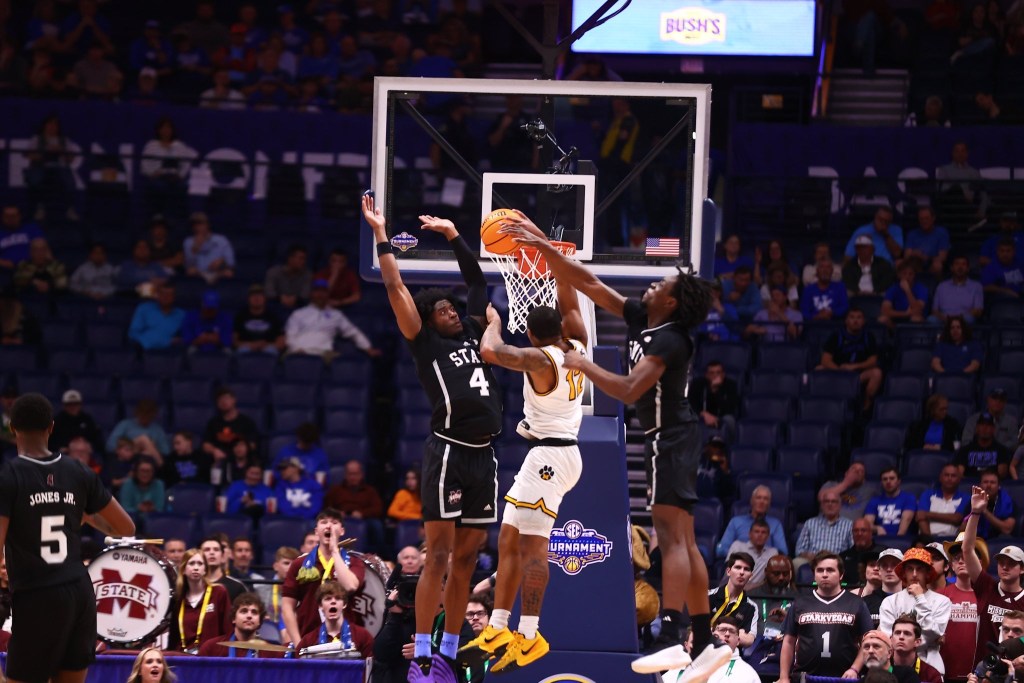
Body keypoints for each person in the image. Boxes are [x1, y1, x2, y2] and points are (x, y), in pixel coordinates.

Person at [501, 215, 731, 681]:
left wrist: (582, 363)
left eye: (660, 284)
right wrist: (543, 245)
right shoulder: (643, 318)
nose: (651, 286)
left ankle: (671, 636)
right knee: (684, 539)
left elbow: (627, 390)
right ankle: (705, 641)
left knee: (671, 537)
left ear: (671, 301)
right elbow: (588, 283)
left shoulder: (671, 339)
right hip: (671, 437)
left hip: (672, 437)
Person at [362, 194, 504, 679]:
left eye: (450, 307)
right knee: (439, 555)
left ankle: (449, 644)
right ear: (428, 318)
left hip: (485, 456)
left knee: (468, 557)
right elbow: (394, 284)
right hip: (448, 452)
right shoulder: (423, 342)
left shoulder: (474, 333)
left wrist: (453, 235)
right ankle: (422, 645)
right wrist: (381, 234)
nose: (450, 311)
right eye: (441, 309)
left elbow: (477, 282)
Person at [462, 276, 588, 673]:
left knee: (533, 549)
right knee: (509, 539)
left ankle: (530, 635)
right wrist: (558, 265)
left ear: (532, 335)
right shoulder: (579, 344)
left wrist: (494, 322)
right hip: (551, 455)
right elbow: (572, 306)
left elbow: (490, 350)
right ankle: (498, 628)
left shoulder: (540, 359)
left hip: (551, 456)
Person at [0, 392, 135, 683]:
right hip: (79, 593)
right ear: (51, 427)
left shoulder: (8, 476)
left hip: (37, 595)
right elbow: (126, 528)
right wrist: (87, 516)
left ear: (12, 428)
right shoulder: (78, 471)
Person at [778, 552, 873, 682]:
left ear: (841, 574)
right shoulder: (799, 603)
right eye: (820, 570)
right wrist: (783, 677)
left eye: (830, 570)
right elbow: (788, 642)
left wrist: (855, 669)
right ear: (814, 575)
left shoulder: (857, 603)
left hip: (844, 678)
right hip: (805, 678)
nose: (824, 574)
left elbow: (867, 642)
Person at [281, 508, 364, 647]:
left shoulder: (354, 562)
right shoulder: (299, 564)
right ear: (316, 531)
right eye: (324, 522)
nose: (329, 526)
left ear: (342, 531)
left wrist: (335, 551)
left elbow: (350, 586)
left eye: (334, 522)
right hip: (307, 638)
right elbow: (287, 606)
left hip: (345, 641)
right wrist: (298, 643)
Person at [963, 484, 1024, 665]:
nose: (1004, 567)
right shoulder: (987, 586)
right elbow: (967, 550)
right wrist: (975, 513)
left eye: (1011, 563)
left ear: (1022, 569)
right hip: (984, 670)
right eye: (1001, 562)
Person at [878, 548, 952, 674]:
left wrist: (920, 598)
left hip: (930, 666)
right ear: (904, 573)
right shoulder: (890, 601)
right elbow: (888, 637)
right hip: (895, 666)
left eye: (920, 569)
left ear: (927, 573)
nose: (914, 574)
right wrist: (928, 640)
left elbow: (933, 632)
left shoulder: (942, 601)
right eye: (909, 569)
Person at [284, 279, 381, 360]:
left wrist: (368, 348)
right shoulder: (298, 314)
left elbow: (353, 332)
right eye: (317, 291)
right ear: (312, 293)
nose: (320, 294)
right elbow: (290, 335)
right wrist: (297, 349)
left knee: (344, 366)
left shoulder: (336, 315)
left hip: (324, 353)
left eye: (323, 291)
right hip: (299, 351)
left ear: (327, 293)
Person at [167, 548, 232, 652]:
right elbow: (173, 637)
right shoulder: (178, 599)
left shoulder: (219, 592)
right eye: (191, 563)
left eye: (200, 564)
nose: (196, 568)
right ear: (183, 570)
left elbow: (228, 630)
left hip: (211, 656)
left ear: (205, 569)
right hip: (183, 656)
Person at [940, 532, 984, 681]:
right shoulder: (940, 596)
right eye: (956, 558)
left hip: (980, 674)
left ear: (978, 562)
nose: (960, 561)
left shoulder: (988, 596)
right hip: (945, 673)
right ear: (951, 565)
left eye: (966, 557)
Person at [662, 617, 761, 683]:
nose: (727, 634)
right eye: (722, 630)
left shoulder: (747, 673)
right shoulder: (681, 669)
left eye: (731, 631)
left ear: (738, 641)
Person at [296, 581, 374, 658]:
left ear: (344, 604)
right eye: (328, 599)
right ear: (320, 606)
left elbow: (371, 664)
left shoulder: (363, 636)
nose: (333, 601)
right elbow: (298, 664)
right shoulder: (308, 641)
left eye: (338, 598)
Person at [197, 592, 285, 658]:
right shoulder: (211, 648)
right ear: (233, 619)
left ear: (259, 621)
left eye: (254, 612)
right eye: (244, 611)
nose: (249, 616)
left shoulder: (272, 653)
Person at [716, 485, 788, 558]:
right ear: (752, 501)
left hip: (765, 561)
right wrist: (743, 556)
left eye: (765, 499)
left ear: (769, 504)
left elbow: (783, 552)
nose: (762, 501)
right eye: (758, 498)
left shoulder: (776, 524)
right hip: (740, 560)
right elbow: (721, 550)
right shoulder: (735, 522)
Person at [706, 553, 758, 649]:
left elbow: (749, 640)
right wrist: (736, 633)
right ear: (728, 571)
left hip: (732, 653)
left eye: (746, 569)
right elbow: (695, 629)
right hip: (705, 650)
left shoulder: (751, 607)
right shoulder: (708, 596)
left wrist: (713, 631)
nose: (742, 572)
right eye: (738, 567)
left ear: (750, 576)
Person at [795, 490, 854, 564]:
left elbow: (853, 550)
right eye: (826, 501)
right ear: (821, 505)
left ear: (840, 505)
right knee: (796, 562)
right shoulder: (810, 523)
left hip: (838, 562)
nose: (830, 504)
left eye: (833, 501)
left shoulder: (849, 525)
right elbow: (799, 550)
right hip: (813, 561)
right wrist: (809, 556)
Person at [688, 361, 739, 447]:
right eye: (712, 373)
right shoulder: (697, 385)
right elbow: (691, 404)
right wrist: (703, 414)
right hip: (702, 415)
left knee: (730, 420)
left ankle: (729, 447)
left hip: (722, 416)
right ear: (706, 375)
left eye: (718, 372)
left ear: (723, 374)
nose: (715, 376)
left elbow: (731, 408)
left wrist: (715, 390)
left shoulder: (731, 386)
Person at [128, 282, 184, 350]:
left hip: (169, 352)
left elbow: (185, 337)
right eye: (162, 294)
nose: (165, 297)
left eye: (169, 294)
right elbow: (133, 334)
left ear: (174, 297)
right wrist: (165, 341)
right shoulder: (144, 309)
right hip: (144, 350)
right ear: (157, 296)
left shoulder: (181, 314)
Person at [726, 518, 779, 587]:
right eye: (756, 532)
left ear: (768, 536)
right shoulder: (738, 546)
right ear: (750, 534)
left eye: (763, 532)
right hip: (735, 588)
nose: (760, 535)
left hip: (758, 591)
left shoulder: (772, 553)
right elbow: (729, 573)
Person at [955, 413, 1012, 479]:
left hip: (991, 483)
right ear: (977, 428)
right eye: (982, 425)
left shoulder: (1001, 451)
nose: (985, 428)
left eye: (988, 425)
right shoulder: (965, 450)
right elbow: (959, 474)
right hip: (970, 484)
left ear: (993, 429)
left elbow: (1002, 475)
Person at [184, 212, 235, 284]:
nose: (198, 227)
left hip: (218, 273)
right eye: (195, 225)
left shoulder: (221, 240)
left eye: (201, 224)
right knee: (190, 271)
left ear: (207, 224)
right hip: (199, 274)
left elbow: (231, 262)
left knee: (228, 273)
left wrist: (222, 261)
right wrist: (195, 248)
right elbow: (188, 265)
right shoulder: (188, 242)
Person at [932, 254, 984, 323]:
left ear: (968, 269)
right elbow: (935, 310)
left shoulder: (976, 286)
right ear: (951, 268)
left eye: (963, 264)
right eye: (957, 264)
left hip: (964, 320)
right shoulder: (941, 286)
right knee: (932, 319)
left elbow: (978, 310)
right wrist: (944, 318)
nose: (960, 267)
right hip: (944, 319)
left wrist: (959, 318)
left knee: (969, 319)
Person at [864, 469, 917, 536]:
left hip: (902, 538)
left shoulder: (908, 498)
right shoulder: (874, 501)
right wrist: (877, 528)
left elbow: (906, 519)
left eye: (892, 478)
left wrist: (897, 540)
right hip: (880, 538)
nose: (888, 481)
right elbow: (867, 523)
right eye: (885, 479)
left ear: (898, 481)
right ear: (881, 482)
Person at [964, 389, 1018, 453]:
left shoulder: (1011, 422)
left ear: (1005, 403)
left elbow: (1014, 442)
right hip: (977, 454)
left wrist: (996, 448)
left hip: (1002, 455)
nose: (998, 402)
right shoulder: (974, 420)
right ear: (988, 400)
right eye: (994, 398)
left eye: (1001, 400)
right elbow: (966, 441)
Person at [49, 389, 103, 454]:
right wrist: (60, 449)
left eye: (76, 404)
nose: (73, 407)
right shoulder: (57, 421)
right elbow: (50, 442)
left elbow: (97, 439)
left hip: (84, 453)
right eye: (69, 404)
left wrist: (90, 446)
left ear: (80, 404)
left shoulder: (87, 419)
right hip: (64, 455)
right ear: (64, 405)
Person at [903, 206, 951, 277]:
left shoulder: (942, 232)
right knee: (900, 263)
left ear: (933, 218)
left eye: (927, 218)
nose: (924, 221)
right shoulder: (912, 234)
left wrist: (926, 257)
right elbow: (906, 256)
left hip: (931, 263)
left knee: (937, 265)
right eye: (921, 219)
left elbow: (943, 257)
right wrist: (914, 253)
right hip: (916, 263)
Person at [182, 290, 233, 354]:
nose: (210, 311)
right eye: (208, 308)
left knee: (228, 351)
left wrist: (218, 340)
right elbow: (186, 340)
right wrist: (199, 340)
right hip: (196, 348)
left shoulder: (225, 318)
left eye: (213, 309)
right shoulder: (191, 316)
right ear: (202, 306)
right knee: (188, 350)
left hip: (219, 349)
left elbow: (228, 341)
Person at [878, 259, 927, 325]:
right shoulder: (893, 288)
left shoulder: (921, 288)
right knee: (882, 319)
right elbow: (885, 311)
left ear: (914, 276)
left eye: (910, 274)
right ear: (899, 275)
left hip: (914, 318)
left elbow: (918, 310)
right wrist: (905, 314)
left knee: (916, 318)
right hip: (896, 318)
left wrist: (908, 291)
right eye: (904, 273)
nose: (907, 277)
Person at [200, 536, 248, 602]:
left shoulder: (237, 586)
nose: (212, 552)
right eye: (207, 550)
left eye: (216, 549)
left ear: (222, 555)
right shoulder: (192, 585)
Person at [840, 518, 886, 585]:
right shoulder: (842, 557)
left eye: (863, 530)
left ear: (871, 533)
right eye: (856, 531)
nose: (859, 533)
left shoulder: (884, 553)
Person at [265, 244, 312, 309]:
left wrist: (295, 299)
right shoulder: (274, 272)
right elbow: (269, 292)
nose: (303, 262)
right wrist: (280, 298)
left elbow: (305, 295)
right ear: (290, 258)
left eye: (304, 259)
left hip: (299, 307)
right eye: (301, 258)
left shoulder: (307, 274)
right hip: (276, 307)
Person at [974, 468, 1015, 539]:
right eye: (985, 482)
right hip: (977, 539)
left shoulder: (1008, 502)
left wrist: (984, 511)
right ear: (980, 485)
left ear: (999, 486)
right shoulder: (974, 501)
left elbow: (1007, 529)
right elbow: (962, 529)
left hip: (999, 540)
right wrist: (974, 512)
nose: (988, 485)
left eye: (992, 482)